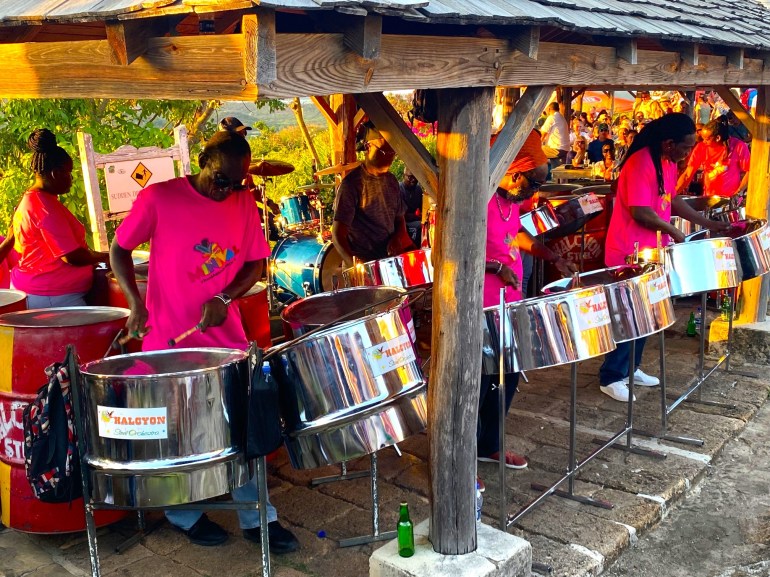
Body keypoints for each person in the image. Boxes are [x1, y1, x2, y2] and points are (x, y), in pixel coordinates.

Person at [110, 131, 299, 553]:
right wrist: (135, 304)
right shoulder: (160, 198)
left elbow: (254, 264)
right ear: (202, 162)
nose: (226, 190)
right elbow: (118, 250)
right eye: (220, 179)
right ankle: (185, 514)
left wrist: (224, 298)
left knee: (243, 428)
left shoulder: (243, 203)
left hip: (226, 340)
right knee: (178, 433)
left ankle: (257, 517)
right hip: (168, 340)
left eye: (237, 182)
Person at [601, 113, 731, 402]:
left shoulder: (667, 162)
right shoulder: (640, 163)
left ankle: (631, 368)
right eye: (686, 147)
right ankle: (611, 376)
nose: (689, 153)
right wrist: (675, 232)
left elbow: (672, 200)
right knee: (629, 316)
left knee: (648, 314)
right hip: (628, 252)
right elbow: (640, 211)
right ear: (669, 143)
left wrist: (707, 222)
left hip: (652, 251)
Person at [478, 129, 576, 470]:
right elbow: (449, 251)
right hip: (479, 305)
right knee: (482, 380)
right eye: (534, 183)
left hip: (508, 300)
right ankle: (469, 451)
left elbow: (516, 234)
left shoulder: (508, 199)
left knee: (508, 374)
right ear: (515, 173)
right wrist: (496, 268)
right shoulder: (476, 198)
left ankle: (489, 445)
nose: (535, 192)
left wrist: (551, 256)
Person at [11, 128, 109, 308]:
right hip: (51, 296)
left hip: (45, 291)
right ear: (55, 174)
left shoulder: (35, 199)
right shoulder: (44, 207)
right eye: (69, 173)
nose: (71, 179)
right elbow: (72, 256)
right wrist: (107, 257)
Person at [332, 124, 413, 268]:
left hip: (388, 261)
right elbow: (338, 235)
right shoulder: (351, 185)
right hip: (363, 263)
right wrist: (356, 266)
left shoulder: (392, 181)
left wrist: (397, 238)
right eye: (384, 151)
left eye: (392, 152)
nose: (389, 156)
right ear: (368, 147)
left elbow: (400, 220)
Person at [676, 117, 750, 198]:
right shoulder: (701, 147)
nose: (704, 142)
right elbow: (687, 174)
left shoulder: (739, 146)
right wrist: (673, 194)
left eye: (707, 139)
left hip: (732, 198)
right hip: (709, 197)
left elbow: (750, 172)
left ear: (718, 138)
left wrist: (738, 193)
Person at [540, 102, 570, 166]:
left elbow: (542, 134)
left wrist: (537, 144)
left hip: (557, 149)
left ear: (549, 109)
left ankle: (537, 171)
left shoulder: (552, 117)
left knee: (534, 150)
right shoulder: (562, 118)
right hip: (564, 148)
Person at [400, 168, 424, 246]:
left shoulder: (418, 189)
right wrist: (417, 217)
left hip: (414, 220)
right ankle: (414, 248)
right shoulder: (399, 189)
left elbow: (423, 208)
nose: (413, 180)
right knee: (420, 226)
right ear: (404, 176)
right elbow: (402, 216)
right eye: (410, 177)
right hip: (402, 223)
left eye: (415, 177)